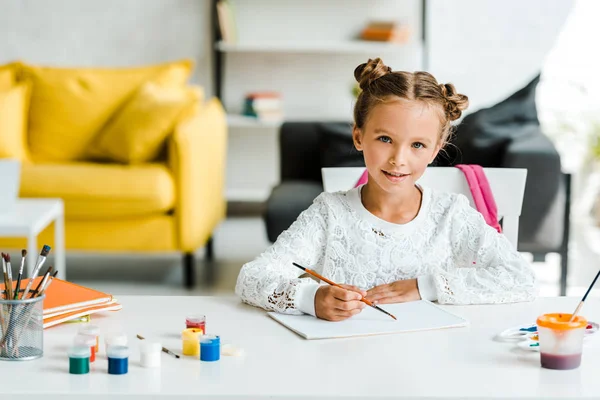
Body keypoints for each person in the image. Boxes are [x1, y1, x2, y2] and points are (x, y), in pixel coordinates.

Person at [235, 58, 537, 322]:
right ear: (358, 136)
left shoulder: (451, 215)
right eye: (384, 139)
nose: (398, 159)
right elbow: (251, 278)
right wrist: (311, 299)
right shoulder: (329, 214)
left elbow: (522, 279)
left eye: (417, 145)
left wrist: (425, 286)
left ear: (436, 150)